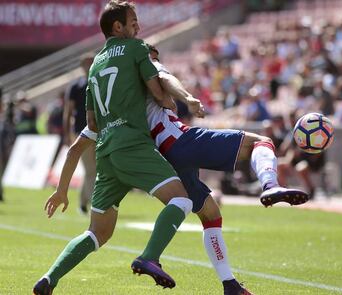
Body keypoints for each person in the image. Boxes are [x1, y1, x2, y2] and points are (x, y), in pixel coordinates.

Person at [42, 43, 309, 295]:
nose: (157, 59)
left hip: (154, 157)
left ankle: (229, 284)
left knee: (210, 215)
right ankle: (270, 185)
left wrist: (61, 190)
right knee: (261, 142)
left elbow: (79, 143)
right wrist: (188, 98)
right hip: (177, 141)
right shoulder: (148, 66)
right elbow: (166, 79)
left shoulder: (120, 99)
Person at [33, 1, 201, 293]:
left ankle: (49, 278)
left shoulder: (94, 67)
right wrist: (170, 101)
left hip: (106, 154)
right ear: (118, 27)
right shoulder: (136, 48)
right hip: (133, 144)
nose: (138, 26)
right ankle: (150, 257)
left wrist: (62, 191)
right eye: (133, 20)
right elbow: (158, 89)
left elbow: (90, 124)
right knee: (182, 200)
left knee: (96, 233)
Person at [63, 52, 96, 214]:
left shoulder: (100, 81)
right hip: (83, 132)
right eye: (87, 63)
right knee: (91, 169)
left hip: (102, 130)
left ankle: (84, 202)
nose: (89, 66)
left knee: (95, 170)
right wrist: (67, 134)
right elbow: (68, 112)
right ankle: (91, 204)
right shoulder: (75, 86)